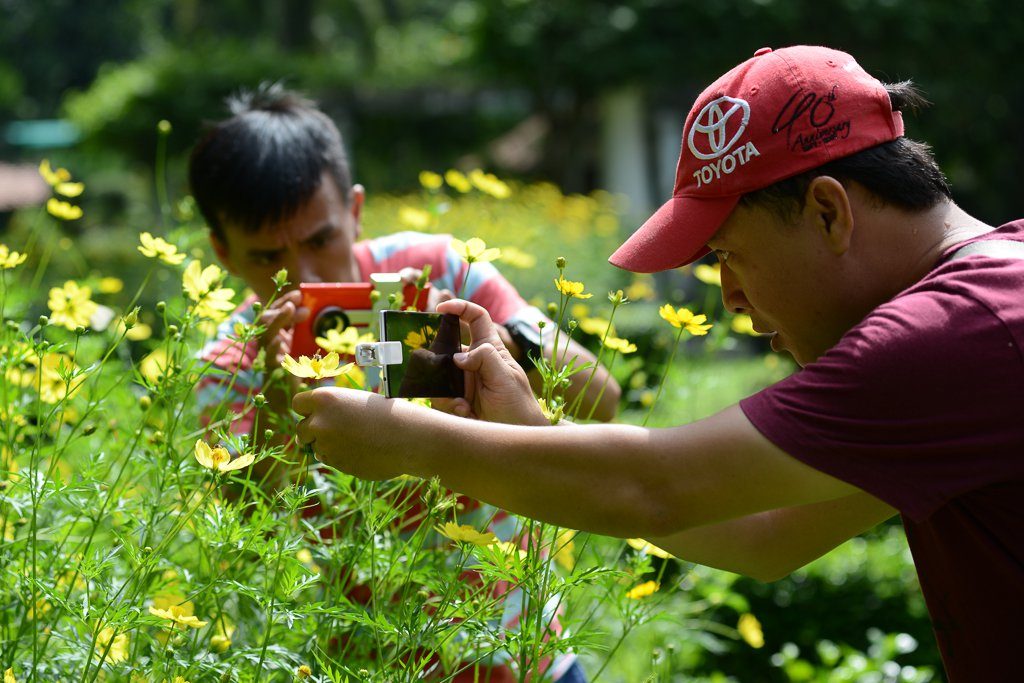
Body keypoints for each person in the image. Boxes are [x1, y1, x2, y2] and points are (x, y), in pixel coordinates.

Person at [292, 45, 1024, 681]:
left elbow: (656, 487)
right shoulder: (981, 308)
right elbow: (765, 532)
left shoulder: (948, 334)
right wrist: (534, 426)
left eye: (731, 254)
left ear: (830, 211)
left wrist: (412, 443)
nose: (729, 294)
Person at [188, 85, 605, 681]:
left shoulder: (439, 269)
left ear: (355, 211)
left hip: (523, 654)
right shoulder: (229, 363)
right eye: (267, 256)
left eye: (320, 240)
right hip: (371, 664)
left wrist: (494, 346)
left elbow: (602, 393)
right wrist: (279, 401)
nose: (303, 277)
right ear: (222, 253)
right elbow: (240, 528)